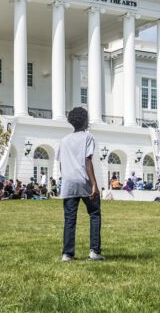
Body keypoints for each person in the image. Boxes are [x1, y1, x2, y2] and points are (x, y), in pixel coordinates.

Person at [57, 107, 103, 262]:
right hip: (83, 181)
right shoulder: (88, 137)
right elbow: (87, 161)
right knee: (94, 214)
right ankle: (94, 251)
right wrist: (94, 184)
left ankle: (67, 254)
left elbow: (62, 165)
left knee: (70, 218)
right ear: (85, 120)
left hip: (68, 182)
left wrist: (65, 177)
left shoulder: (63, 140)